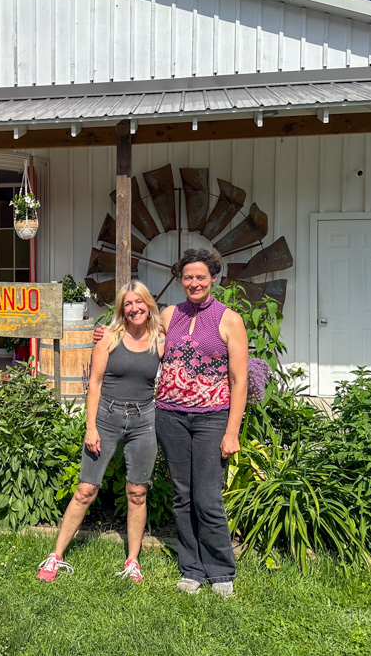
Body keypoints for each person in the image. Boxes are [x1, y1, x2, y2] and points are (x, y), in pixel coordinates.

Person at [37, 280, 165, 583]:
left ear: (148, 305)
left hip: (144, 419)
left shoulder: (160, 339)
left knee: (137, 492)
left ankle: (132, 561)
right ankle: (55, 556)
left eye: (139, 302)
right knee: (86, 489)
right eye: (128, 304)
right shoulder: (108, 337)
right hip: (107, 417)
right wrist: (90, 427)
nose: (134, 308)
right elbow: (93, 383)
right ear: (122, 308)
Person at [154, 248, 248, 596]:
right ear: (181, 280)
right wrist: (107, 337)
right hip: (170, 416)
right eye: (188, 277)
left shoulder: (229, 319)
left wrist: (232, 432)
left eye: (201, 277)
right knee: (182, 495)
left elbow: (239, 380)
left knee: (207, 496)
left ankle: (221, 571)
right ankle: (191, 569)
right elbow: (140, 339)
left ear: (213, 279)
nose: (194, 283)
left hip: (211, 418)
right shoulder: (168, 315)